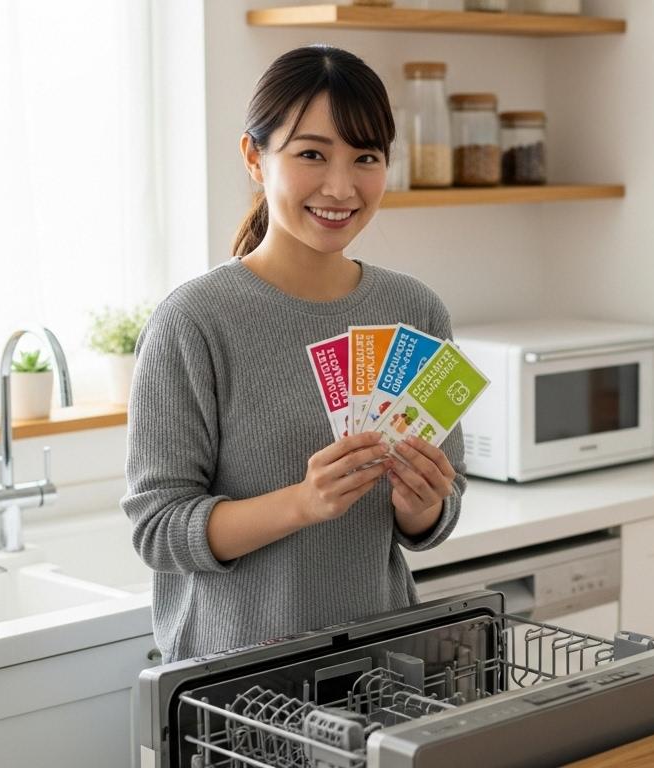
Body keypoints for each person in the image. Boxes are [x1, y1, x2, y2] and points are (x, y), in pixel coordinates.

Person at [121, 45, 467, 663]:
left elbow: (430, 523)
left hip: (377, 669)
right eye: (312, 154)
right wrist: (303, 504)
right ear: (255, 157)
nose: (341, 186)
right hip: (235, 688)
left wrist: (425, 503)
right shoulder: (193, 322)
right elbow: (158, 529)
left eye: (366, 158)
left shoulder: (416, 312)